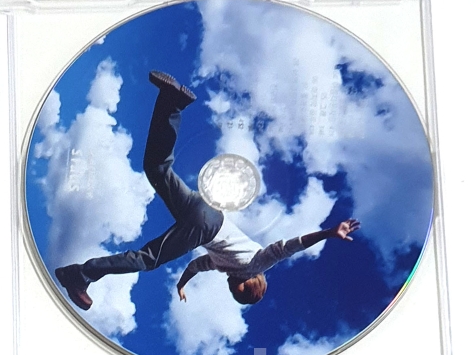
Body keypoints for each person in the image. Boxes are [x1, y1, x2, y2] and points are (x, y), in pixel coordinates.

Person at [55, 71, 360, 311]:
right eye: (237, 293)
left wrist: (182, 284)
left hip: (207, 211)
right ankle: (80, 274)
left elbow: (194, 266)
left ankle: (171, 102)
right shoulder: (254, 264)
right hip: (206, 225)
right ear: (249, 285)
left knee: (156, 168)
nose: (230, 288)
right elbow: (286, 248)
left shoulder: (222, 264)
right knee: (148, 259)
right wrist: (328, 233)